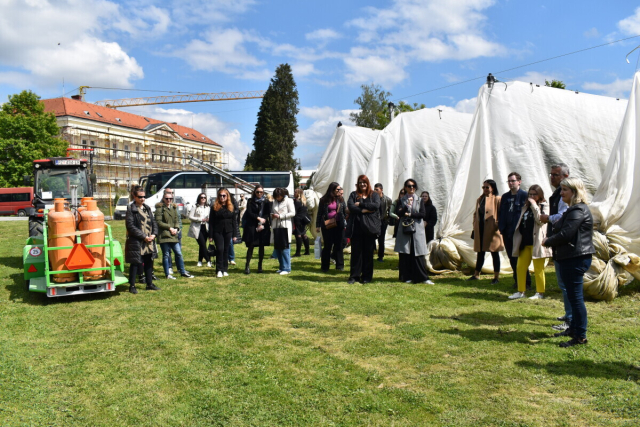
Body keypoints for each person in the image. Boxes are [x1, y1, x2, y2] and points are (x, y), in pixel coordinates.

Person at [542, 177, 594, 347]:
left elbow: (566, 234)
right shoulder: (574, 209)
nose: (561, 193)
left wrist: (548, 241)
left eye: (565, 190)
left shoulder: (577, 210)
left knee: (576, 298)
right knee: (573, 297)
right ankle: (573, 329)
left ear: (575, 192)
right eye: (561, 189)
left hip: (575, 258)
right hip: (571, 257)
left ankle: (580, 336)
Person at [540, 163, 572, 331]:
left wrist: (548, 218)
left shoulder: (565, 196)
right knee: (564, 284)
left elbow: (564, 216)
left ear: (565, 176)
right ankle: (569, 314)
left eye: (555, 175)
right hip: (559, 242)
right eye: (551, 174)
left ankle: (571, 319)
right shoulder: (557, 194)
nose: (552, 177)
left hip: (564, 244)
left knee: (567, 284)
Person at [508, 185, 552, 300]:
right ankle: (521, 291)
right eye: (530, 194)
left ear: (540, 195)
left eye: (534, 194)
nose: (532, 197)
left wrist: (533, 205)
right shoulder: (525, 207)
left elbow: (540, 220)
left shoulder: (544, 206)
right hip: (525, 242)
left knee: (538, 268)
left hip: (537, 242)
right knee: (520, 267)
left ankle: (540, 293)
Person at [395, 179, 434, 284]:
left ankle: (422, 277)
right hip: (404, 229)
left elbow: (422, 214)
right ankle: (406, 277)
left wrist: (411, 214)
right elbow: (398, 213)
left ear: (415, 187)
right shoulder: (402, 200)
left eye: (413, 186)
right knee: (405, 253)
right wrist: (406, 207)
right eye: (409, 186)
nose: (411, 188)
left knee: (418, 253)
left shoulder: (420, 200)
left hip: (417, 230)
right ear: (405, 187)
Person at [499, 172, 531, 290]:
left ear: (519, 182)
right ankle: (517, 280)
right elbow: (501, 213)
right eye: (509, 181)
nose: (511, 183)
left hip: (518, 232)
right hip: (507, 232)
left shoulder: (524, 196)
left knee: (521, 258)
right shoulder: (505, 197)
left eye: (513, 181)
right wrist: (501, 228)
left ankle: (526, 282)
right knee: (511, 257)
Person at [125, 186, 160, 294]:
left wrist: (154, 234)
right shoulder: (131, 209)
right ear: (134, 197)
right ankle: (132, 286)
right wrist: (143, 236)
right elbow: (130, 226)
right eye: (140, 197)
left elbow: (153, 222)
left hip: (149, 240)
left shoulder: (147, 208)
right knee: (135, 263)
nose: (143, 199)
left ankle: (149, 284)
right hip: (137, 241)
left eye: (144, 196)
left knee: (149, 262)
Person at [347, 175, 381, 284]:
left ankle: (366, 277)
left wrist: (361, 204)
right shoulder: (353, 194)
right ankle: (354, 276)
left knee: (368, 254)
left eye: (364, 182)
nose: (362, 184)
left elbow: (376, 206)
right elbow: (351, 207)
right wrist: (364, 210)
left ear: (368, 183)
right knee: (356, 254)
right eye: (360, 182)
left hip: (369, 229)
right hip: (356, 228)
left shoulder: (374, 195)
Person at [468, 179, 503, 284]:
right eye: (483, 187)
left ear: (492, 188)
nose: (485, 189)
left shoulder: (497, 199)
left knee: (494, 253)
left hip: (493, 230)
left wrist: (497, 224)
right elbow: (476, 213)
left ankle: (496, 277)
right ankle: (476, 274)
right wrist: (475, 225)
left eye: (487, 187)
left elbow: (501, 213)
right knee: (480, 252)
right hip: (481, 229)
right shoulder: (480, 199)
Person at [155, 190, 194, 280]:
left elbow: (177, 219)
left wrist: (176, 228)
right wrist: (170, 228)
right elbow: (158, 222)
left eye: (170, 198)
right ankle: (167, 274)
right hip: (164, 235)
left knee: (179, 253)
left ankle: (182, 271)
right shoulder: (159, 208)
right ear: (163, 198)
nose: (169, 200)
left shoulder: (174, 207)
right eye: (167, 198)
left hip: (173, 234)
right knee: (166, 254)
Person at [208, 188, 239, 277]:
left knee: (226, 250)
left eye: (224, 195)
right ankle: (219, 270)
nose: (222, 197)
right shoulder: (214, 207)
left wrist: (235, 235)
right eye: (220, 195)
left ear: (227, 196)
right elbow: (211, 222)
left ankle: (225, 269)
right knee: (220, 249)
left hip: (228, 231)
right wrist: (210, 235)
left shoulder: (231, 206)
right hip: (217, 231)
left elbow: (234, 221)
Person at [316, 182, 345, 272]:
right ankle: (325, 266)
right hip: (327, 225)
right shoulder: (324, 200)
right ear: (332, 190)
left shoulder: (340, 199)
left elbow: (344, 211)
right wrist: (317, 225)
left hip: (339, 224)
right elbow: (319, 213)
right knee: (328, 246)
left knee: (339, 245)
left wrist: (345, 222)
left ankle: (340, 266)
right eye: (338, 189)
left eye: (340, 189)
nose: (340, 191)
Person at [243, 186, 271, 274]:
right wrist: (258, 218)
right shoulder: (250, 201)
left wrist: (262, 222)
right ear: (254, 192)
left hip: (263, 225)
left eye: (261, 192)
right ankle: (247, 266)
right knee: (251, 246)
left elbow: (267, 213)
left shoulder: (266, 202)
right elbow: (249, 213)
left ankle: (260, 266)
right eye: (257, 192)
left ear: (263, 193)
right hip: (252, 226)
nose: (259, 194)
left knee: (261, 246)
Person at [271, 187, 295, 275]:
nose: (278, 198)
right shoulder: (274, 202)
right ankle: (281, 267)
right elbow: (272, 211)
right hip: (276, 226)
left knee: (285, 248)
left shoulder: (289, 201)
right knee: (277, 248)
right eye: (276, 196)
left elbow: (293, 213)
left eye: (279, 196)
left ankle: (287, 268)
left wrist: (281, 216)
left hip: (285, 226)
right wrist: (272, 215)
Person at [187, 192, 211, 268]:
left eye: (204, 197)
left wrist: (208, 219)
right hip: (197, 227)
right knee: (202, 244)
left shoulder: (208, 207)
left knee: (202, 245)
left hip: (206, 227)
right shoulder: (195, 206)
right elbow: (190, 217)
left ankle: (200, 261)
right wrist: (200, 219)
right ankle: (208, 260)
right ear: (199, 198)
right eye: (202, 197)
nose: (203, 199)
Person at [374, 183, 393, 262]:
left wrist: (387, 220)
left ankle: (380, 256)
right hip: (374, 222)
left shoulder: (387, 200)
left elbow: (390, 211)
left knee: (381, 240)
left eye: (377, 189)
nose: (375, 191)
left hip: (383, 221)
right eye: (374, 189)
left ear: (381, 190)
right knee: (372, 238)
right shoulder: (373, 199)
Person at [292, 188, 311, 257]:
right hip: (303, 220)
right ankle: (307, 251)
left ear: (298, 193)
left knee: (298, 236)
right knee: (304, 235)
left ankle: (298, 252)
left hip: (298, 220)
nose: (294, 193)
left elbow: (294, 211)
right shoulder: (304, 201)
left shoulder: (297, 202)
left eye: (295, 192)